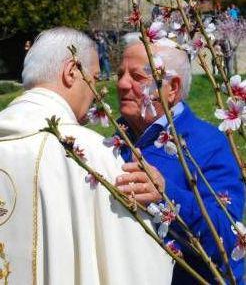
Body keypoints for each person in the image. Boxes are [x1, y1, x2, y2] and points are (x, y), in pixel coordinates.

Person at [0, 27, 173, 284]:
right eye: (93, 78)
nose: (95, 95)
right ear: (71, 71)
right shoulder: (88, 153)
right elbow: (135, 266)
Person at [115, 32, 244, 284]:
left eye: (138, 77)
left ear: (171, 88)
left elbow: (228, 240)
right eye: (120, 74)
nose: (121, 84)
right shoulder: (113, 139)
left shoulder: (210, 144)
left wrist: (165, 194)